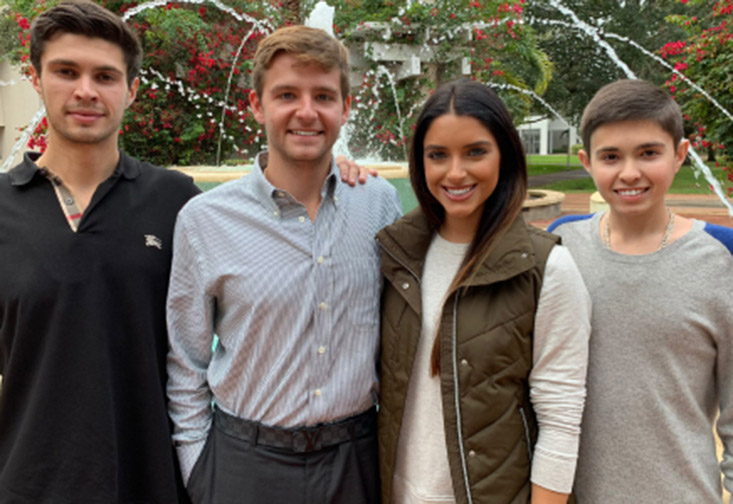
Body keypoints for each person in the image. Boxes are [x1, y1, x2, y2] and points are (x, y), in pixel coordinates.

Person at [166, 25, 402, 504]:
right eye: (287, 95)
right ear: (257, 106)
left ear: (345, 108)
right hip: (244, 463)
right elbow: (186, 359)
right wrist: (200, 472)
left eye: (323, 96)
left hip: (355, 460)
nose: (307, 112)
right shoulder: (205, 220)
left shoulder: (379, 204)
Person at [0, 1, 200, 502]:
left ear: (131, 90)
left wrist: (335, 175)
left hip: (154, 482)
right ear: (36, 79)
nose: (86, 90)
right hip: (28, 483)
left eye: (105, 76)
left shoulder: (179, 202)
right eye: (66, 72)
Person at [375, 79, 591, 504]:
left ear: (504, 154)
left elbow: (561, 419)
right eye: (438, 155)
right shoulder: (396, 255)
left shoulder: (546, 267)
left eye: (475, 152)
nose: (456, 173)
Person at [547, 79, 733, 502]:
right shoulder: (562, 246)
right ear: (587, 162)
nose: (629, 172)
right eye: (611, 156)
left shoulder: (722, 257)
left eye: (648, 153)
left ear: (680, 154)